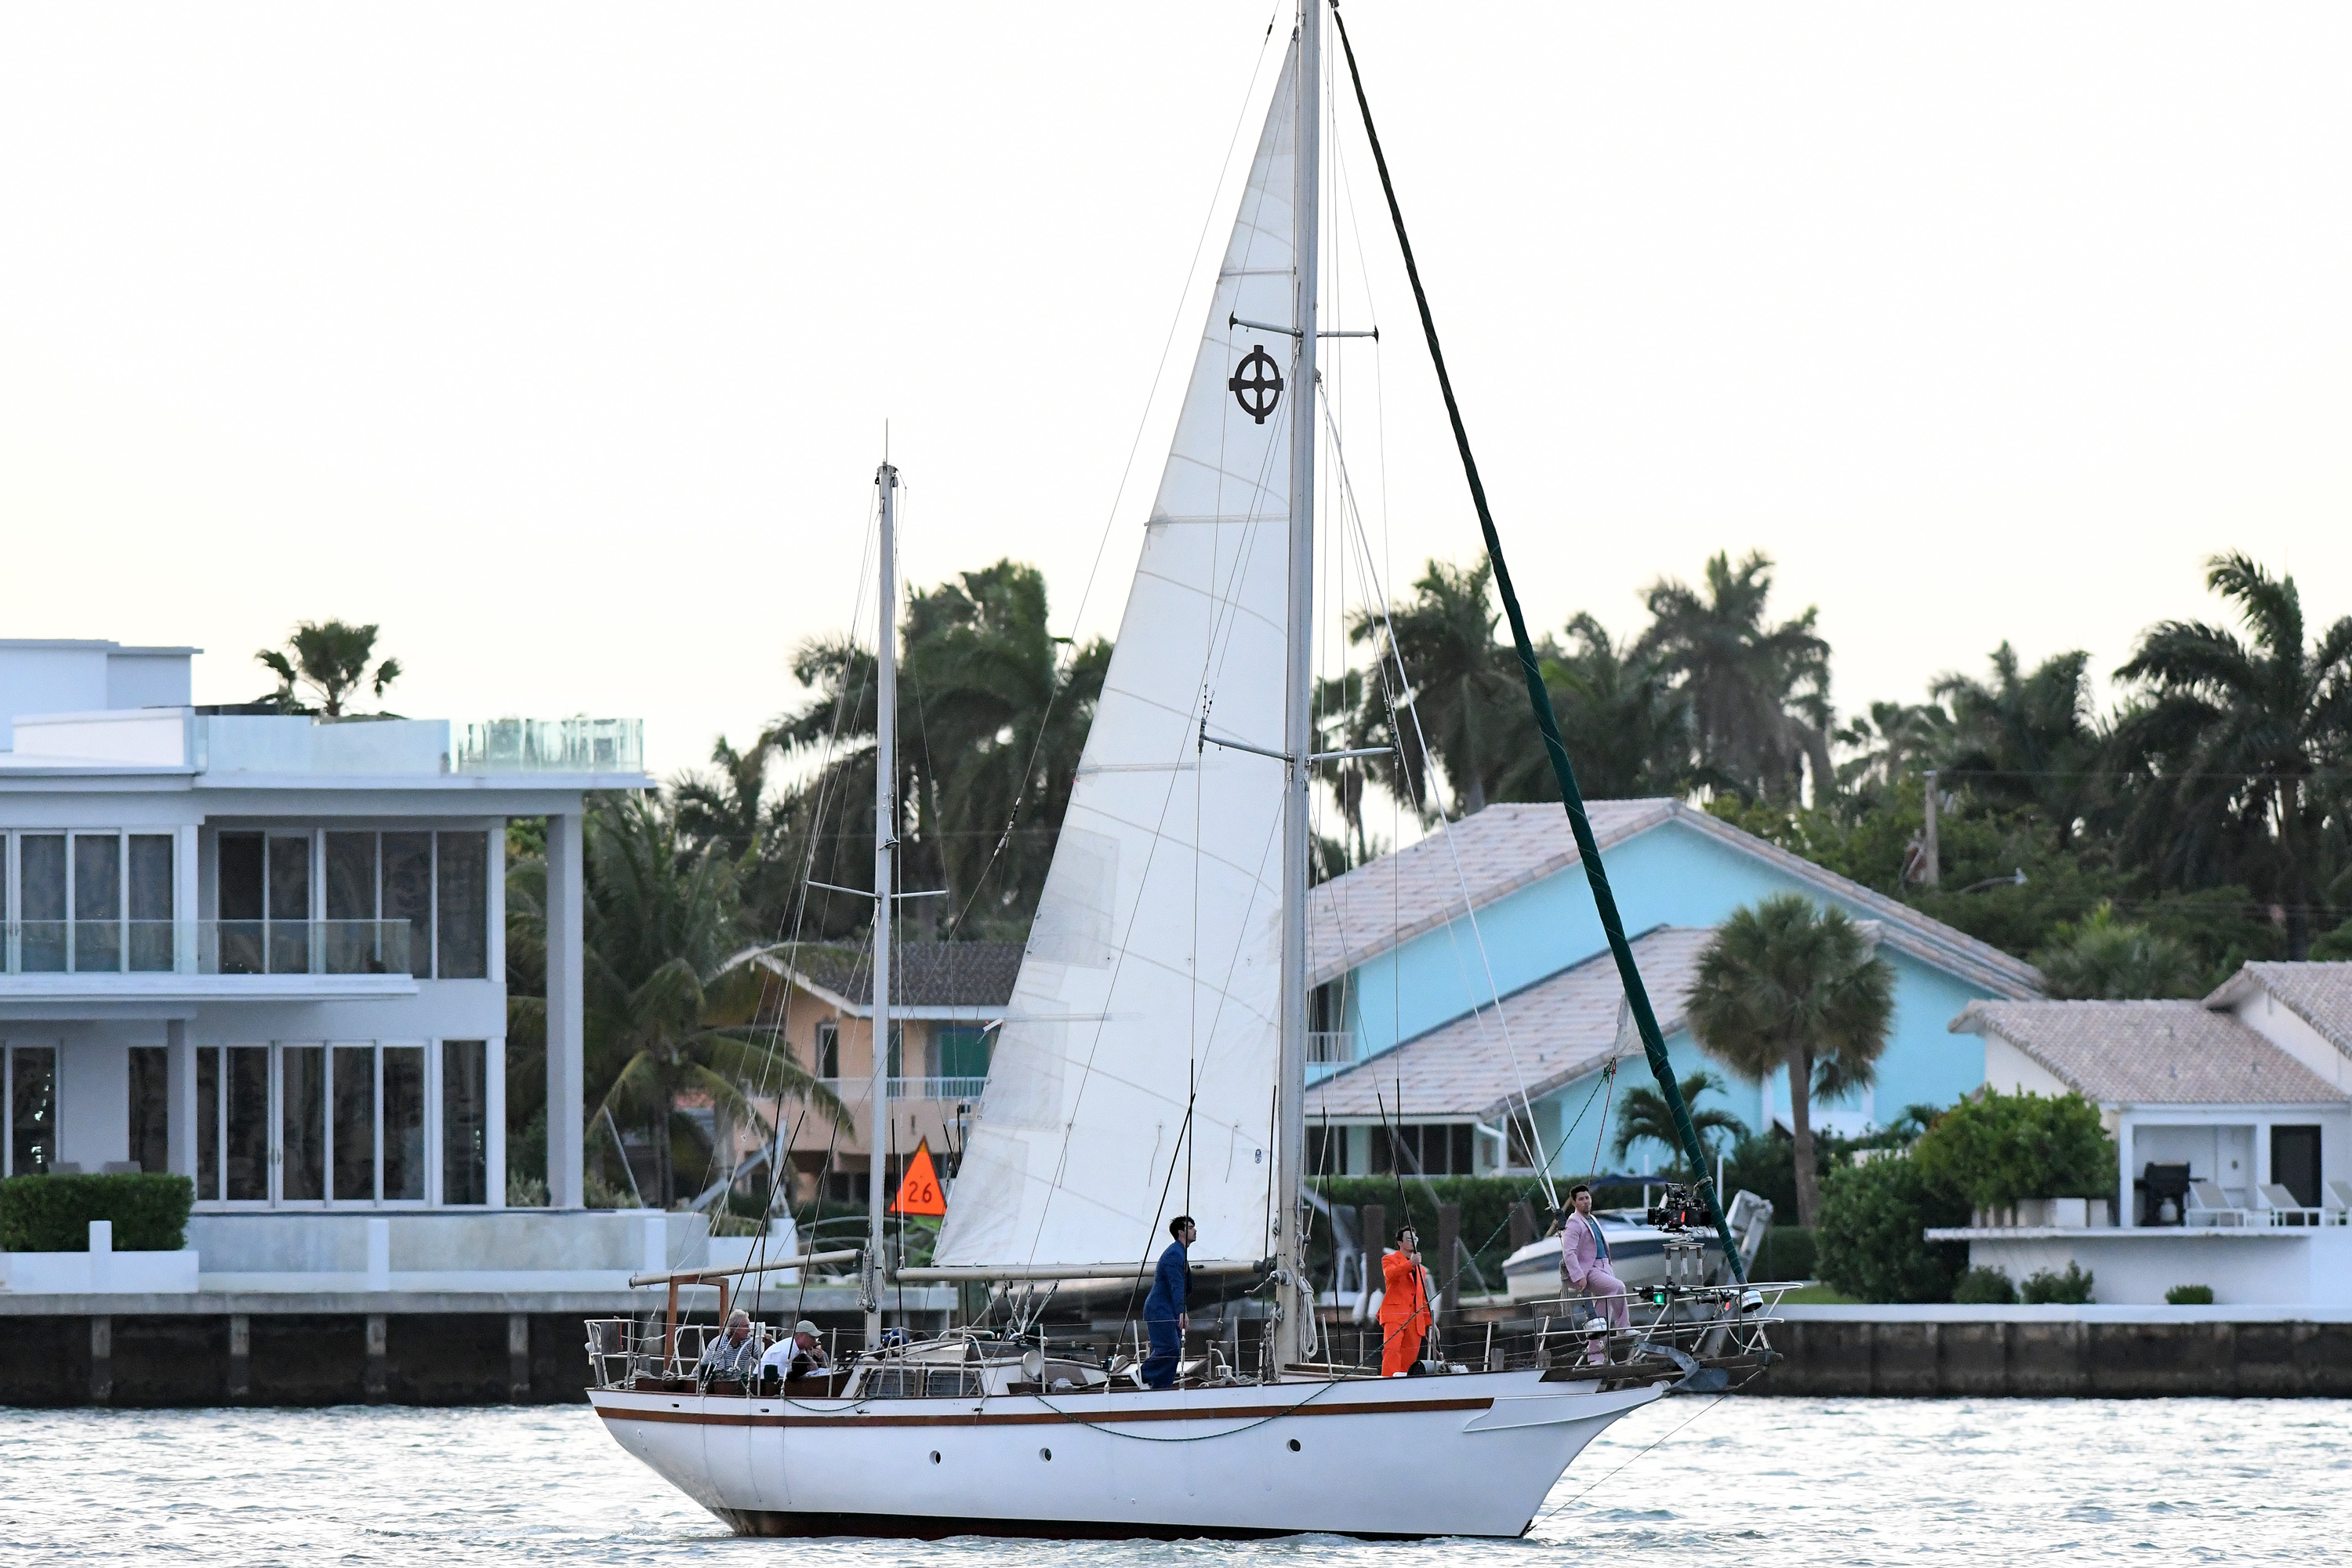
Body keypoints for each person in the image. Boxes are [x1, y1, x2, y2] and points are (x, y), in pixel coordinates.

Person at [1559, 1183, 1630, 1360]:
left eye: (1587, 1198)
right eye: (1581, 1199)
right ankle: (1623, 1327)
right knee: (1618, 1287)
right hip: (1590, 1269)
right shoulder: (1574, 1222)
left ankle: (1596, 1357)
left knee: (1602, 1313)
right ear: (1574, 1203)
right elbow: (1569, 1253)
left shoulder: (1592, 1219)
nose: (1586, 1202)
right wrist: (1579, 1276)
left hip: (1605, 1266)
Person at [1140, 1214, 1194, 1389]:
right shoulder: (1174, 1254)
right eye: (1190, 1227)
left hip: (1168, 1309)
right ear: (1181, 1232)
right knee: (1169, 1348)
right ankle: (1142, 1375)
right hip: (1159, 1309)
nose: (1195, 1231)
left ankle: (1162, 1388)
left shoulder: (1180, 1253)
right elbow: (1176, 1285)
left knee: (1174, 1352)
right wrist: (1182, 1310)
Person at [1377, 1226, 1434, 1377]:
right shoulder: (1389, 1259)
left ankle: (1405, 1382)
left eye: (1415, 1239)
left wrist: (1430, 1323)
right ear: (1400, 1243)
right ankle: (1388, 1380)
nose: (1413, 1242)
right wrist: (1410, 1264)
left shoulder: (1421, 1270)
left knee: (1410, 1356)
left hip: (1415, 1319)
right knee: (1392, 1349)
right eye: (1409, 1239)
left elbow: (1422, 1297)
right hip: (1395, 1315)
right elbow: (1390, 1275)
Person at [697, 1308, 760, 1385]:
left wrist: (768, 1345)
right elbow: (718, 1376)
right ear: (734, 1329)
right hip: (704, 1383)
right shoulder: (720, 1346)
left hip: (733, 1383)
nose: (749, 1330)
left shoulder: (747, 1342)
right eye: (746, 1327)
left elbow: (761, 1358)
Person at [757, 1319, 829, 1383]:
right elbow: (782, 1380)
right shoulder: (785, 1352)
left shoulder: (800, 1349)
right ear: (801, 1335)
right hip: (763, 1383)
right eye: (812, 1337)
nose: (815, 1342)